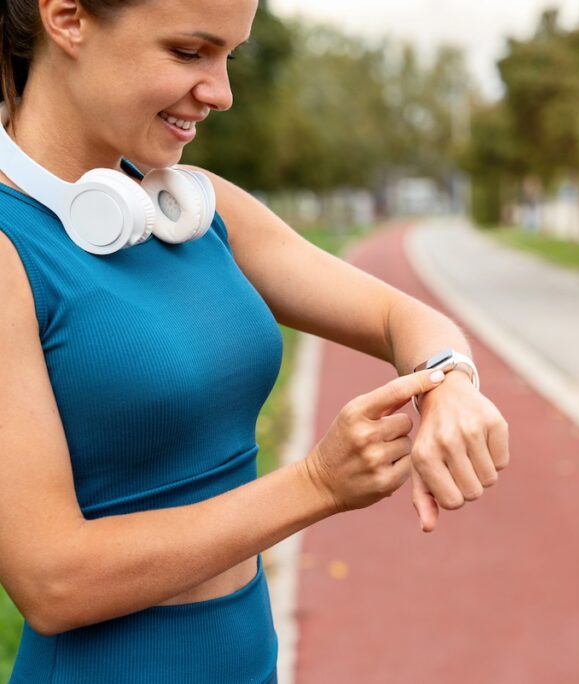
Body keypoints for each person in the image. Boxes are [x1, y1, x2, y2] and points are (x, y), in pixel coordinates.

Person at [0, 0, 510, 681]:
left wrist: (451, 380)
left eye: (228, 58)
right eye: (189, 52)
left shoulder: (192, 208)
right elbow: (53, 583)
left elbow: (401, 318)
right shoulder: (11, 249)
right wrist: (317, 484)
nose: (221, 93)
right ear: (67, 18)